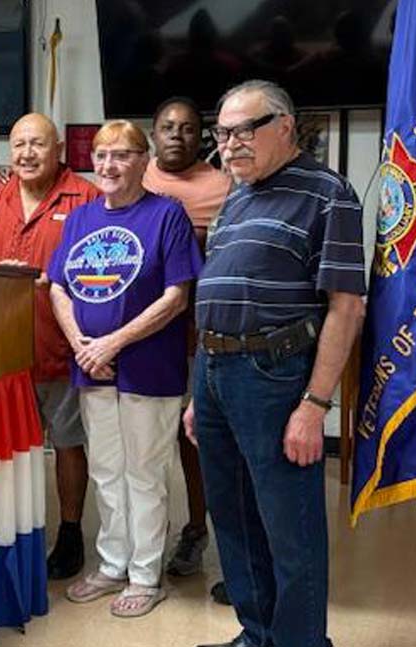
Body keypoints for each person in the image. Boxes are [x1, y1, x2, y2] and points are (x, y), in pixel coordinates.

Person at [186, 80, 364, 647]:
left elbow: (346, 306)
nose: (229, 144)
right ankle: (258, 632)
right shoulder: (236, 195)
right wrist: (198, 392)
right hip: (214, 372)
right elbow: (217, 292)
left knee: (291, 531)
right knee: (233, 521)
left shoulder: (328, 193)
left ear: (284, 126)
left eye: (244, 130)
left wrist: (314, 405)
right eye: (222, 132)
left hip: (274, 375)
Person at [50, 120, 202, 618]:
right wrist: (81, 344)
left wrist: (113, 341)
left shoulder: (167, 216)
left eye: (121, 155)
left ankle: (144, 573)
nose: (108, 166)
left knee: (145, 473)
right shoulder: (80, 218)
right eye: (100, 155)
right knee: (106, 470)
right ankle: (113, 563)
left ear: (144, 160)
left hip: (148, 368)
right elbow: (57, 286)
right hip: (91, 366)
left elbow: (177, 296)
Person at [0, 113, 101, 580]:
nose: (27, 154)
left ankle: (70, 531)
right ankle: (13, 532)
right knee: (8, 449)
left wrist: (45, 282)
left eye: (37, 144)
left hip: (58, 347)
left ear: (58, 149)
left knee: (68, 443)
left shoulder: (87, 196)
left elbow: (96, 274)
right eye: (18, 144)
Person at [143, 96, 231, 580]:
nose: (177, 135)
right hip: (143, 336)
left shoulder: (223, 187)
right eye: (167, 126)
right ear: (153, 135)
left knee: (195, 438)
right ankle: (144, 537)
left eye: (188, 128)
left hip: (200, 335)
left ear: (202, 137)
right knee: (145, 439)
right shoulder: (135, 177)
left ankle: (197, 528)